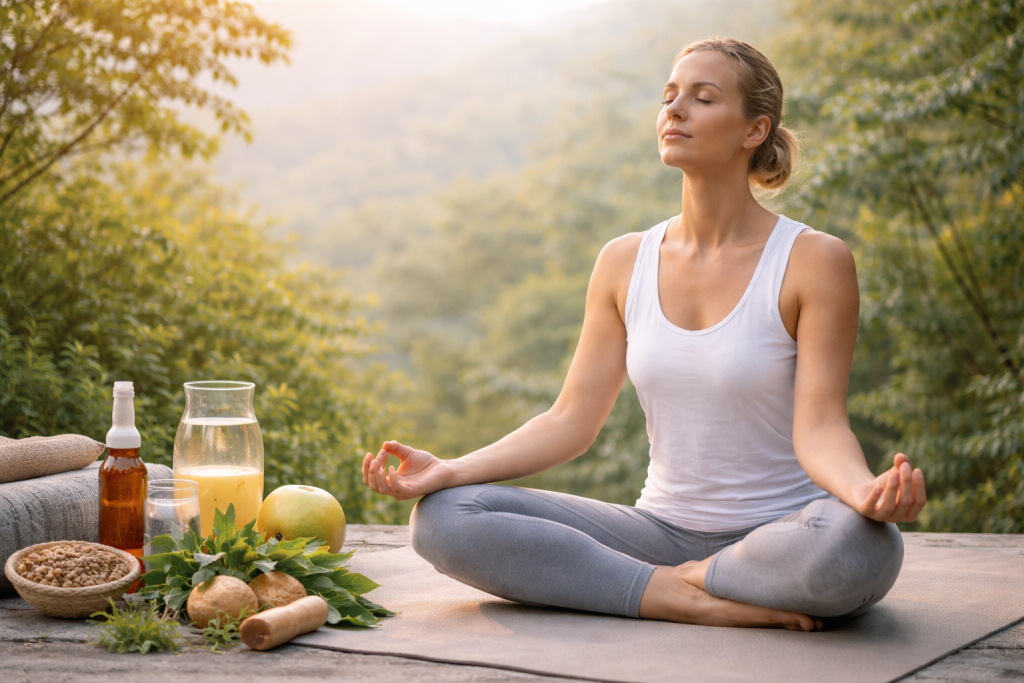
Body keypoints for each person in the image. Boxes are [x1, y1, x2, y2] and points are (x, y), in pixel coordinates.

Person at [361, 37, 927, 632]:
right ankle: (679, 593)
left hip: (783, 538)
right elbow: (569, 422)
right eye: (668, 97)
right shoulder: (624, 260)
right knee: (445, 517)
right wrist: (450, 469)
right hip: (655, 533)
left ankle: (670, 583)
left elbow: (819, 427)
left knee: (865, 545)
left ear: (754, 130)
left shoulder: (814, 260)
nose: (675, 110)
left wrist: (865, 493)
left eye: (702, 98)